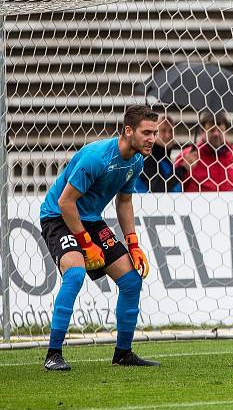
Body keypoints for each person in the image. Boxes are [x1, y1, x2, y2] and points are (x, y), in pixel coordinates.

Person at [39, 105, 160, 370]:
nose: (152, 138)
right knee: (74, 273)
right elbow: (66, 202)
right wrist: (86, 244)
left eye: (155, 132)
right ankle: (53, 354)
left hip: (90, 219)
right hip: (58, 216)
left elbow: (124, 201)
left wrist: (133, 244)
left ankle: (123, 354)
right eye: (146, 132)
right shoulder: (96, 157)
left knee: (131, 280)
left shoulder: (137, 160)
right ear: (128, 131)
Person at [175, 110, 233, 192]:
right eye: (211, 130)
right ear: (202, 131)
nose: (216, 134)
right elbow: (175, 186)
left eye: (220, 130)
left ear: (226, 131)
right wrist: (184, 168)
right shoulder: (188, 155)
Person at [136, 113, 182, 193]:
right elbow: (157, 190)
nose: (168, 135)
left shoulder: (165, 159)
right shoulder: (146, 157)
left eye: (171, 131)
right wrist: (182, 169)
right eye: (163, 130)